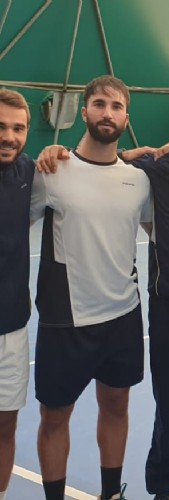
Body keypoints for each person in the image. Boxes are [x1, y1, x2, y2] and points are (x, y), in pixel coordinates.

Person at [37, 89, 169, 500]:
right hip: (167, 310)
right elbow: (124, 173)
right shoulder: (155, 169)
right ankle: (167, 485)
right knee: (168, 406)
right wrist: (57, 148)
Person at [30, 75, 152, 500]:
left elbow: (167, 232)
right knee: (55, 415)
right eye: (99, 104)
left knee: (117, 407)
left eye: (116, 107)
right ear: (84, 111)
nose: (107, 113)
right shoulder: (52, 169)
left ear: (125, 117)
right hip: (66, 318)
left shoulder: (138, 180)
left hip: (123, 315)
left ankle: (109, 493)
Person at [0, 89, 33, 500]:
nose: (9, 136)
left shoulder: (28, 172)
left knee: (5, 424)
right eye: (1, 127)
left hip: (12, 330)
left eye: (18, 128)